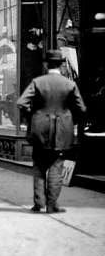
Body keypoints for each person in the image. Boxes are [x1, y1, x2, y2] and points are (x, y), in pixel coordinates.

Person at [17, 49, 87, 213]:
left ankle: (38, 204)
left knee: (39, 166)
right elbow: (81, 108)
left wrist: (33, 116)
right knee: (56, 166)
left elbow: (21, 103)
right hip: (62, 131)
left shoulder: (37, 82)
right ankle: (51, 204)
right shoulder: (70, 84)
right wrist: (69, 119)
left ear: (46, 64)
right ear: (62, 65)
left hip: (40, 129)